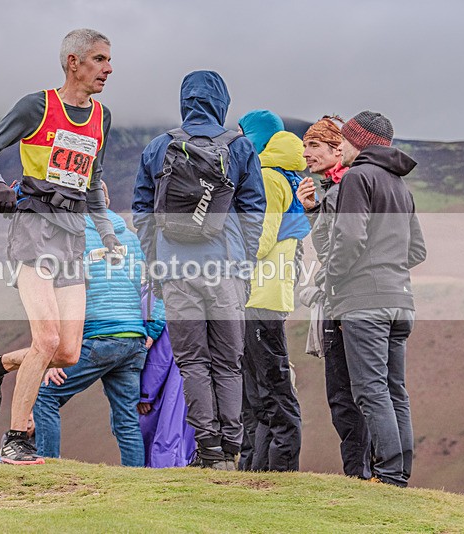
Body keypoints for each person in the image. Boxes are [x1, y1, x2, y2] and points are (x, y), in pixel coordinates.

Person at [0, 29, 121, 465]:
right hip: (34, 227)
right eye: (99, 59)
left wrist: (108, 234)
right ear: (73, 62)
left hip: (73, 235)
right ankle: (16, 439)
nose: (108, 69)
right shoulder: (36, 106)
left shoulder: (101, 117)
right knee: (47, 337)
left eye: (110, 60)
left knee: (69, 351)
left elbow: (92, 183)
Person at [132, 70, 265, 470]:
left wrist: (156, 260)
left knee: (192, 362)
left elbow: (142, 212)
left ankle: (206, 449)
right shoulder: (239, 148)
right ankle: (230, 450)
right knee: (228, 362)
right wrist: (244, 266)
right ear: (221, 101)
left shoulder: (159, 147)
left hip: (176, 271)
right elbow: (253, 213)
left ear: (184, 100)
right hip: (225, 270)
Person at [325, 111, 426, 487]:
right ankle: (399, 474)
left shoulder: (357, 177)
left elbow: (350, 238)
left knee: (369, 390)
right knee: (395, 389)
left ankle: (387, 476)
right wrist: (388, 265)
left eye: (345, 140)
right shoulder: (402, 187)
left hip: (364, 302)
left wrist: (333, 277)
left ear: (361, 142)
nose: (340, 147)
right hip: (401, 302)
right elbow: (417, 250)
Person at [32, 184, 164, 467]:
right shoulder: (131, 238)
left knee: (45, 396)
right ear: (108, 199)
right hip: (133, 340)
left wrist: (57, 353)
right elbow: (156, 289)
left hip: (99, 337)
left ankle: (47, 468)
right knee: (127, 420)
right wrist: (150, 332)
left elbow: (60, 296)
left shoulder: (71, 238)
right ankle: (135, 485)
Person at [297, 115, 373, 480]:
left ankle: (363, 474)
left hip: (348, 303)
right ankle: (363, 473)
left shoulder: (347, 188)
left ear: (337, 148)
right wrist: (314, 211)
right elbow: (329, 245)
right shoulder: (333, 188)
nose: (306, 152)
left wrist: (328, 282)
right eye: (305, 144)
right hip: (346, 300)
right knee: (349, 395)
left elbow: (341, 250)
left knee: (350, 396)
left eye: (314, 145)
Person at [236, 110, 309, 472]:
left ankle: (279, 474)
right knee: (261, 393)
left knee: (271, 391)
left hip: (259, 296)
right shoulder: (288, 176)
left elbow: (259, 241)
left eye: (243, 133)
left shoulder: (266, 177)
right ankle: (256, 472)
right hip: (271, 296)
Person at [137, 306, 197, 468]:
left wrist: (145, 394)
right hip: (188, 390)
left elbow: (158, 360)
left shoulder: (155, 305)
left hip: (161, 394)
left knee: (163, 444)